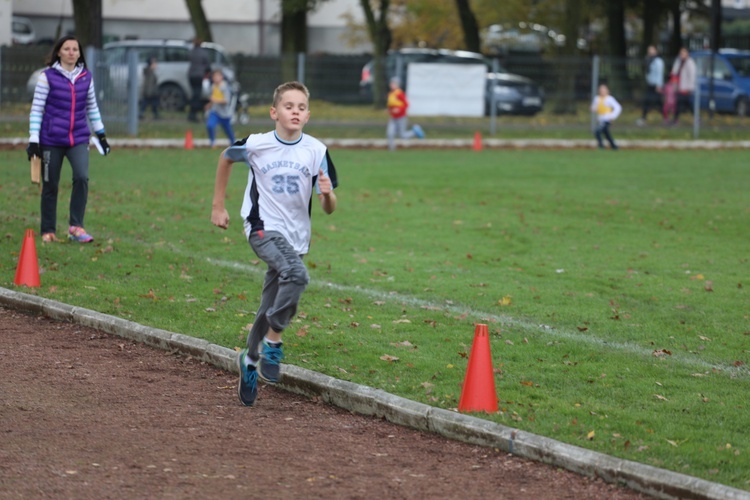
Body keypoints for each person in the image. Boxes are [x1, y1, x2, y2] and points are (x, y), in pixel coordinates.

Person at [210, 81, 338, 407]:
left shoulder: (317, 151)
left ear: (308, 115)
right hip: (262, 228)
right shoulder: (257, 144)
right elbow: (226, 158)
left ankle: (250, 360)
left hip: (297, 238)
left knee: (271, 299)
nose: (294, 111)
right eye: (288, 106)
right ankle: (274, 343)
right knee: (297, 276)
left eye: (301, 107)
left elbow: (329, 207)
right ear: (274, 112)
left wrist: (327, 194)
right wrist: (218, 205)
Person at [26, 35, 111, 244]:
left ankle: (76, 227)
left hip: (79, 139)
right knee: (50, 184)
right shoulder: (47, 77)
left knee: (81, 177)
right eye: (67, 49)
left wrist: (101, 134)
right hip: (51, 140)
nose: (71, 52)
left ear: (79, 53)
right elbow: (37, 110)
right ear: (59, 52)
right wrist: (34, 140)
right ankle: (48, 229)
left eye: (75, 49)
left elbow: (92, 108)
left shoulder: (86, 77)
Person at [386, 76, 424, 151]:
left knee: (402, 135)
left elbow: (406, 105)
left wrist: (399, 110)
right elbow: (391, 106)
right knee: (390, 133)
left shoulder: (400, 94)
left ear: (397, 84)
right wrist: (389, 110)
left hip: (401, 118)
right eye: (391, 83)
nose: (391, 85)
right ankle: (391, 150)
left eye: (393, 83)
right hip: (393, 118)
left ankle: (415, 132)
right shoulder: (390, 94)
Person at [205, 69, 236, 147]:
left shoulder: (224, 87)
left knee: (228, 130)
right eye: (214, 76)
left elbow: (226, 101)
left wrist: (215, 100)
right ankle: (212, 143)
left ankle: (233, 143)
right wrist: (210, 104)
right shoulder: (213, 86)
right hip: (215, 112)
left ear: (221, 77)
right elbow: (214, 98)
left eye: (217, 76)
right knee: (210, 125)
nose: (215, 78)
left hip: (224, 114)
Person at [637, 45, 664, 126]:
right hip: (650, 84)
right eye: (649, 50)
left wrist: (659, 85)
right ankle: (643, 118)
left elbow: (659, 74)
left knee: (658, 102)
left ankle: (665, 118)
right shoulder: (648, 60)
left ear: (656, 51)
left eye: (652, 50)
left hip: (656, 85)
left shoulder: (658, 61)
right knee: (647, 101)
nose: (650, 51)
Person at [669, 47, 697, 124]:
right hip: (679, 87)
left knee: (685, 104)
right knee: (682, 104)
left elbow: (692, 76)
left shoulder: (690, 63)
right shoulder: (678, 61)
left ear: (687, 53)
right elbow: (674, 72)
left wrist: (690, 88)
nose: (682, 55)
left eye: (684, 53)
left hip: (685, 88)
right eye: (681, 53)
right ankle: (676, 119)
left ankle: (676, 119)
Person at [590, 83, 622, 150]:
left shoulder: (609, 99)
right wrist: (593, 108)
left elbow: (618, 107)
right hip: (600, 119)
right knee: (606, 133)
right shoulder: (597, 98)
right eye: (601, 90)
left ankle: (601, 145)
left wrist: (612, 116)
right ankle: (614, 146)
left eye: (604, 90)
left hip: (607, 119)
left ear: (607, 91)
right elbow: (595, 107)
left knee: (597, 131)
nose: (602, 91)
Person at [187, 37, 211, 123]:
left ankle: (192, 113)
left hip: (191, 75)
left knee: (194, 94)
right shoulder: (203, 53)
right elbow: (207, 65)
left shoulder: (192, 52)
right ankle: (193, 114)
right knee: (197, 95)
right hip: (199, 75)